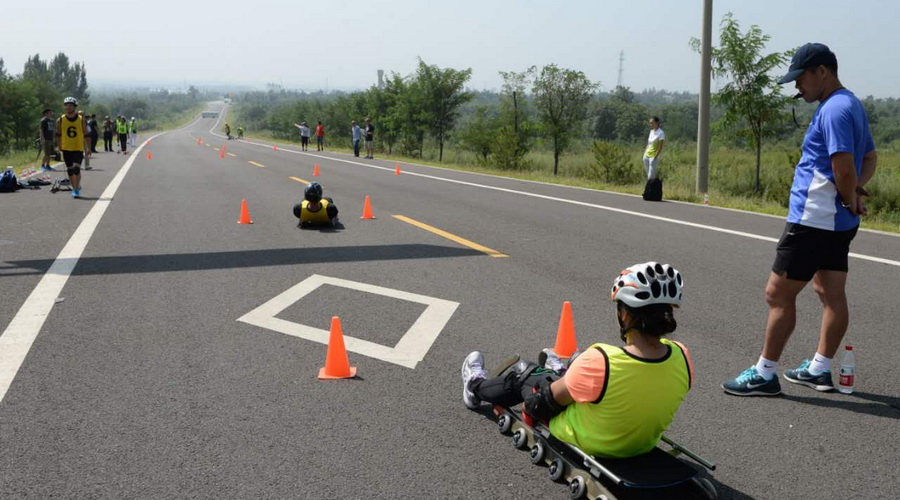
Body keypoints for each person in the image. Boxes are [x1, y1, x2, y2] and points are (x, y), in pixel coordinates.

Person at [722, 43, 877, 397]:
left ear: (823, 71)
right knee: (830, 292)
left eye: (801, 78)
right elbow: (869, 157)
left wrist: (847, 191)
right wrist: (854, 192)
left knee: (777, 294)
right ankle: (819, 369)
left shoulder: (834, 110)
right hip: (837, 222)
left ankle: (764, 374)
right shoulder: (850, 103)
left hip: (813, 220)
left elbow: (843, 164)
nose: (798, 87)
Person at [461, 262, 692, 459]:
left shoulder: (602, 360)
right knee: (583, 367)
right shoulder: (682, 354)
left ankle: (475, 386)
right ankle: (566, 372)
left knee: (524, 373)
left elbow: (544, 404)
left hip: (593, 442)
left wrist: (534, 397)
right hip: (642, 445)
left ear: (624, 314)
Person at [56, 97, 90, 198]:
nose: (68, 107)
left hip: (78, 147)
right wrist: (59, 146)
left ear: (74, 107)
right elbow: (58, 134)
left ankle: (76, 189)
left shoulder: (81, 119)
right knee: (70, 170)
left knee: (76, 169)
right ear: (64, 106)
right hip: (66, 148)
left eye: (71, 105)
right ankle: (74, 187)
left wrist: (88, 148)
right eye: (67, 105)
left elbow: (86, 134)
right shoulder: (60, 120)